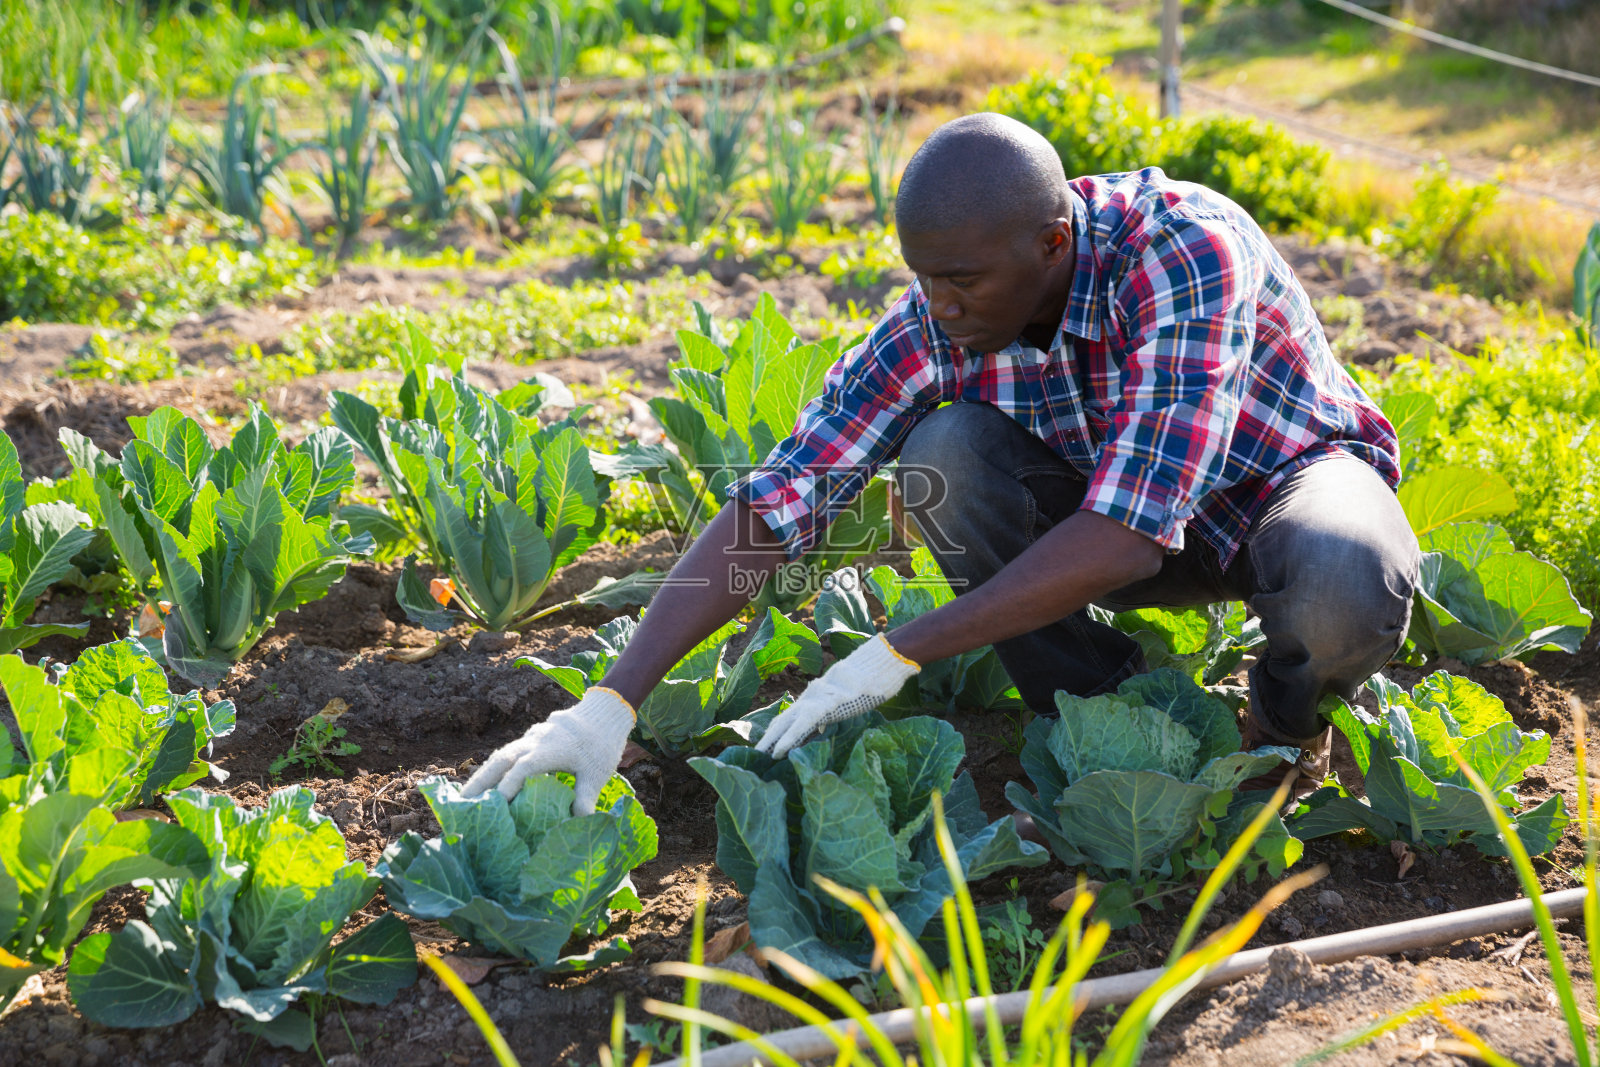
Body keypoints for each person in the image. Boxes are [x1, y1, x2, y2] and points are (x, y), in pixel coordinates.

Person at [463, 112, 1420, 815]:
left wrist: (899, 648)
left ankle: (1287, 732)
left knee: (1345, 579)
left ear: (1052, 243)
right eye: (925, 277)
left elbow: (1127, 536)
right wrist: (610, 700)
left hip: (1274, 492)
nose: (941, 304)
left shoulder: (1180, 251)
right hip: (1118, 525)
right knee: (946, 456)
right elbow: (783, 499)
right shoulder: (936, 321)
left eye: (963, 279)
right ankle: (1120, 727)